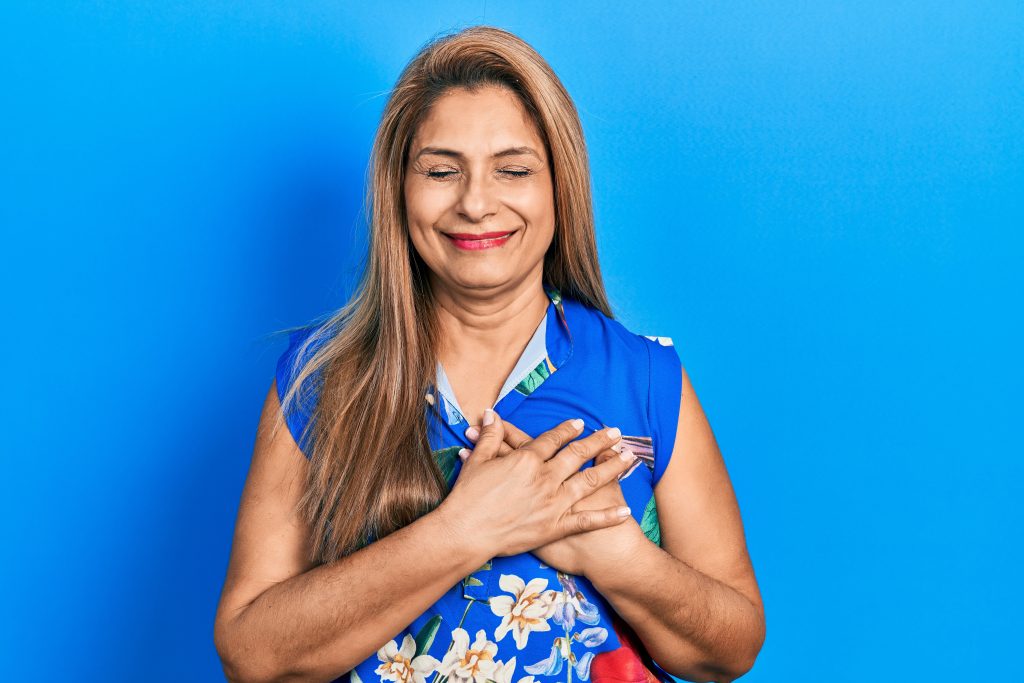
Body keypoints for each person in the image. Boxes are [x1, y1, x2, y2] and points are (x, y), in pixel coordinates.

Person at [214, 25, 765, 683]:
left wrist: (617, 556)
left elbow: (731, 649)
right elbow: (251, 653)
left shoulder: (645, 377)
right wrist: (461, 531)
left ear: (560, 186)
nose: (476, 202)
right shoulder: (319, 379)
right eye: (442, 170)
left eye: (514, 169)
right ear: (400, 190)